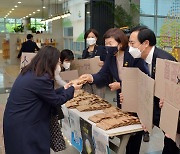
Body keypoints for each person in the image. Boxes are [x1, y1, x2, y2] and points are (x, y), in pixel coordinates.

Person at [80, 28, 149, 154]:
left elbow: (143, 79)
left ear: (120, 43)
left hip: (137, 97)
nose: (107, 47)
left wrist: (122, 84)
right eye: (106, 44)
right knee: (126, 126)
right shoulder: (111, 57)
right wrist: (90, 77)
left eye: (110, 43)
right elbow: (103, 74)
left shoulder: (133, 55)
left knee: (135, 130)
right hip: (122, 97)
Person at [3, 46, 82, 154]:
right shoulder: (41, 78)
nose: (59, 66)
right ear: (50, 61)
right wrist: (72, 89)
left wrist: (65, 88)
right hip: (25, 126)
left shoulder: (31, 72)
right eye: (58, 62)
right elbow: (55, 100)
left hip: (18, 121)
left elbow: (47, 94)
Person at [128, 25, 179, 154]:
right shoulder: (142, 60)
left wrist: (172, 122)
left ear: (145, 43)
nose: (130, 47)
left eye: (132, 43)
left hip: (171, 115)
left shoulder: (165, 61)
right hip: (158, 110)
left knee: (171, 145)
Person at [82, 28, 108, 98]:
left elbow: (108, 62)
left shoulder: (102, 49)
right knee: (88, 100)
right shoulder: (85, 51)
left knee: (99, 100)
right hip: (87, 80)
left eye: (92, 37)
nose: (90, 39)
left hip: (98, 80)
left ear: (96, 38)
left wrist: (103, 63)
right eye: (88, 37)